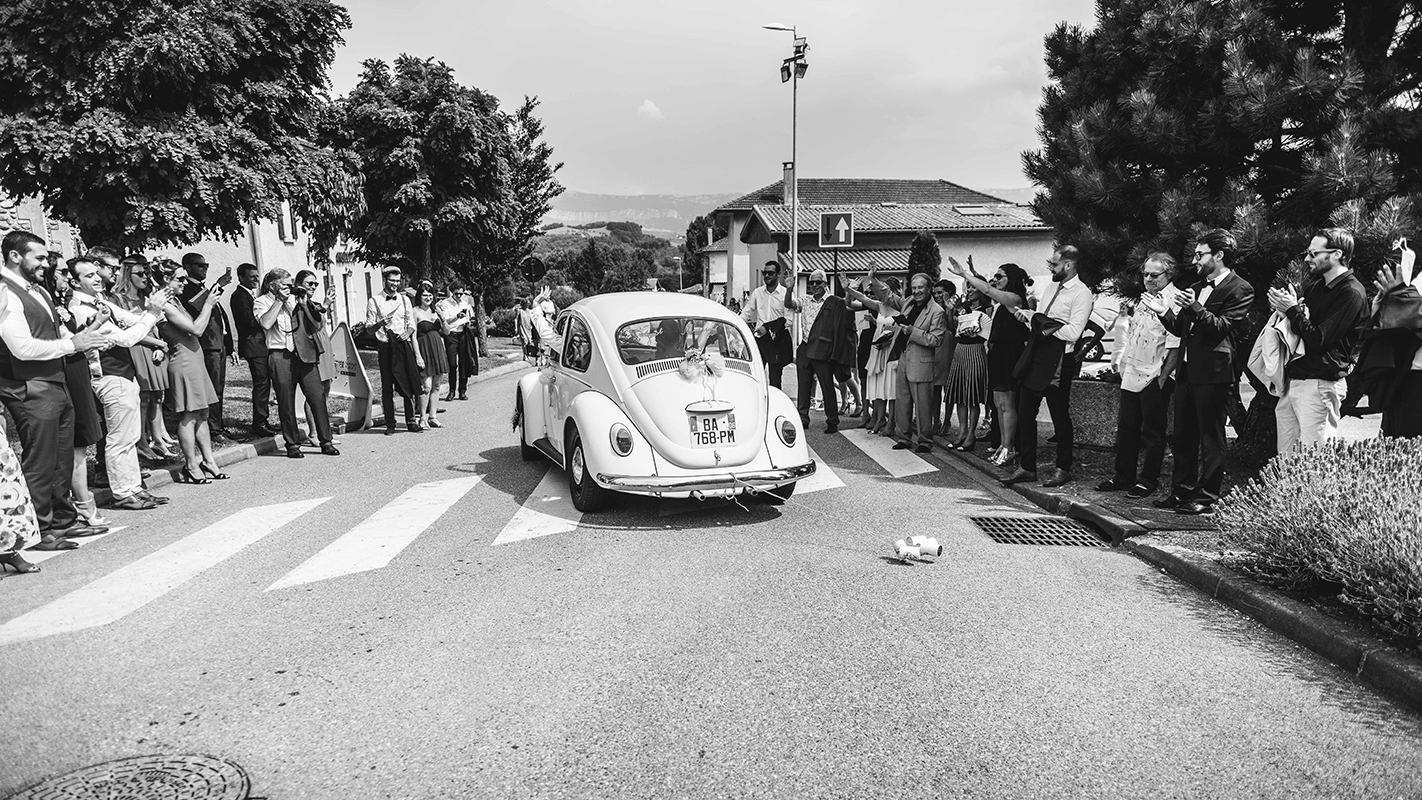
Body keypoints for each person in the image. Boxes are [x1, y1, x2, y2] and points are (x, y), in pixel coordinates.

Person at [0, 231, 112, 549]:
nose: (46, 263)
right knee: (41, 460)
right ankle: (39, 530)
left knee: (62, 457)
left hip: (55, 382)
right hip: (28, 385)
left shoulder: (38, 290)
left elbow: (60, 334)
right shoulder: (5, 291)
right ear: (14, 256)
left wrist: (88, 333)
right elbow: (21, 347)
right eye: (39, 257)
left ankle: (63, 521)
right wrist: (72, 343)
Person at [1157, 229, 1255, 515]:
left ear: (1219, 255)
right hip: (1188, 370)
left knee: (1211, 437)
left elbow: (1221, 328)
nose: (1194, 260)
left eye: (1200, 254)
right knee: (1183, 434)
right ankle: (1182, 490)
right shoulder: (1197, 286)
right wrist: (1164, 312)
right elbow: (1183, 330)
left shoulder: (1240, 288)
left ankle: (1208, 496)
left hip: (1215, 373)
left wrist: (1195, 306)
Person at [69, 253, 171, 511]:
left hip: (124, 373)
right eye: (89, 275)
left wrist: (151, 314)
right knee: (119, 438)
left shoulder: (100, 301)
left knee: (131, 435)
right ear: (75, 282)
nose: (97, 278)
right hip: (108, 375)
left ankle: (134, 487)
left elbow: (134, 322)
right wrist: (152, 314)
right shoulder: (81, 308)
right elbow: (126, 338)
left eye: (96, 273)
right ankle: (122, 492)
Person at [1267, 227, 1369, 454]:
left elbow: (1319, 339)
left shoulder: (1351, 292)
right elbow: (1302, 330)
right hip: (1294, 381)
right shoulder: (1315, 288)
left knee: (1315, 462)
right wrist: (1287, 312)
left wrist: (1293, 311)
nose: (1307, 258)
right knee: (1287, 459)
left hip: (1321, 383)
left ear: (1337, 254)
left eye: (1314, 253)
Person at [1006, 245, 1095, 487]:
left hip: (1059, 362)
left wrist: (1041, 322)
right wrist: (1028, 317)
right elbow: (1040, 321)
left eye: (1055, 265)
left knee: (1059, 416)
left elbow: (1074, 332)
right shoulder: (1051, 287)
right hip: (1037, 355)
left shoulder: (1082, 294)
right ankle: (1027, 466)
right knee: (1025, 412)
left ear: (1068, 265)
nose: (1051, 268)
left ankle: (1063, 468)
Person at [1096, 253, 1180, 498]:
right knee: (1126, 428)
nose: (1149, 279)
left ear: (1169, 274)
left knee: (1152, 432)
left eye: (1155, 275)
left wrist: (1163, 378)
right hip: (1132, 373)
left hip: (1155, 375)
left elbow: (1175, 345)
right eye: (1145, 274)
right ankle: (1123, 476)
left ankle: (1148, 479)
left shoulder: (1174, 301)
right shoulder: (1143, 300)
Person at [947, 258, 1031, 467]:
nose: (996, 279)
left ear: (1011, 279)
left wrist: (966, 274)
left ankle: (1009, 447)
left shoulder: (1015, 298)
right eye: (995, 276)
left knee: (1007, 404)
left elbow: (987, 289)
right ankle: (1003, 446)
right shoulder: (1002, 305)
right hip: (998, 354)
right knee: (998, 404)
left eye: (1000, 276)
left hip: (1011, 354)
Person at [155, 260, 227, 483]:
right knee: (189, 414)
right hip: (183, 361)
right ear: (166, 280)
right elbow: (196, 329)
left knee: (203, 413)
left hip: (195, 358)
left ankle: (209, 460)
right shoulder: (164, 304)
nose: (185, 283)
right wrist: (208, 306)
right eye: (180, 279)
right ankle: (191, 464)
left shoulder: (175, 300)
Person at [255, 269, 339, 458]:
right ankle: (292, 444)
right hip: (280, 355)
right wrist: (279, 301)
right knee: (286, 401)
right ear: (273, 285)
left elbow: (315, 324)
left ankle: (326, 441)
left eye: (290, 284)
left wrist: (305, 304)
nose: (289, 288)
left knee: (317, 397)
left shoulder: (296, 299)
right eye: (285, 284)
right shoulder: (261, 302)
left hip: (304, 354)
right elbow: (266, 324)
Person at [875, 272, 947, 453]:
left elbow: (936, 340)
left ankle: (925, 440)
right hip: (904, 357)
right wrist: (874, 279)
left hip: (922, 362)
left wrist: (912, 332)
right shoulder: (908, 302)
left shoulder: (937, 311)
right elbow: (889, 297)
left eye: (920, 288)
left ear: (929, 288)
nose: (916, 291)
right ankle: (904, 437)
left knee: (923, 404)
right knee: (903, 401)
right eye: (914, 288)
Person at [115, 255, 176, 461]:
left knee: (157, 397)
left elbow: (155, 324)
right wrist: (158, 344)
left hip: (155, 348)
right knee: (143, 399)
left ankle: (157, 437)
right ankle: (141, 441)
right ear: (127, 275)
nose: (145, 277)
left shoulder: (146, 298)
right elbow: (130, 329)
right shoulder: (120, 300)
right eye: (140, 273)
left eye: (147, 273)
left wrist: (160, 346)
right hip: (138, 348)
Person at [178, 253, 235, 440]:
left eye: (206, 265)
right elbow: (197, 307)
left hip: (218, 343)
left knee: (219, 387)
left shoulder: (203, 288)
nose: (205, 268)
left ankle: (219, 425)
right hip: (207, 344)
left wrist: (230, 347)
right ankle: (214, 428)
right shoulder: (186, 288)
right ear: (187, 267)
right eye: (200, 265)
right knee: (211, 388)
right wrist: (217, 286)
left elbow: (220, 317)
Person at [793, 269, 856, 434]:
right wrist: (788, 289)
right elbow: (789, 305)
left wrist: (847, 289)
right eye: (811, 282)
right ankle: (803, 418)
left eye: (817, 282)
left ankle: (832, 420)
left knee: (826, 385)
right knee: (804, 386)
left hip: (823, 350)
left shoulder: (833, 301)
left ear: (825, 283)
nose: (814, 285)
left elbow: (847, 306)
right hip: (805, 346)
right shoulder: (806, 301)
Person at [366, 266, 421, 435]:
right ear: (385, 280)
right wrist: (380, 323)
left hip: (402, 345)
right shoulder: (374, 301)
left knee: (407, 382)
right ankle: (390, 423)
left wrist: (408, 333)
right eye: (392, 280)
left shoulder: (405, 300)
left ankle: (411, 420)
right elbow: (368, 328)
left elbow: (411, 323)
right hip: (386, 346)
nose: (395, 284)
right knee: (387, 386)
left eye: (398, 281)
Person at [292, 270, 339, 447]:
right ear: (298, 284)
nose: (313, 287)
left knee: (325, 388)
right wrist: (325, 304)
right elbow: (314, 323)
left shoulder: (313, 303)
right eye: (309, 283)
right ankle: (313, 433)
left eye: (315, 284)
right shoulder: (299, 304)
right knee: (315, 392)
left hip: (324, 346)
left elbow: (320, 321)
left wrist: (325, 303)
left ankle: (322, 429)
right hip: (312, 348)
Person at [230, 262, 277, 437]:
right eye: (252, 277)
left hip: (260, 344)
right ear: (241, 278)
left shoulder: (251, 295)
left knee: (265, 384)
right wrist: (265, 318)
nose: (256, 279)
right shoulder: (239, 296)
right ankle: (259, 422)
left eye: (257, 276)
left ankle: (264, 420)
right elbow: (248, 322)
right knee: (261, 384)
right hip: (253, 345)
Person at [945, 287, 990, 451]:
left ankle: (971, 434)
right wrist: (951, 311)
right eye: (968, 287)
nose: (970, 290)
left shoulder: (988, 309)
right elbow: (952, 328)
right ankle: (962, 432)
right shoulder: (962, 307)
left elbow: (988, 333)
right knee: (959, 394)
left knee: (971, 395)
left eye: (973, 287)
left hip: (976, 349)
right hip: (960, 349)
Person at [741, 261, 798, 388]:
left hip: (776, 340)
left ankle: (774, 405)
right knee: (756, 375)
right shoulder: (757, 293)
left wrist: (768, 328)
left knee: (775, 379)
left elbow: (788, 320)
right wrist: (735, 326)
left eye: (770, 273)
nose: (766, 275)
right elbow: (746, 313)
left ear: (778, 274)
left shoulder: (785, 294)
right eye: (764, 273)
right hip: (759, 340)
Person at [414, 282, 450, 428]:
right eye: (425, 295)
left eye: (430, 295)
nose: (428, 297)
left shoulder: (436, 311)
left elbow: (447, 332)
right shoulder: (415, 311)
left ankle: (432, 416)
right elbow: (413, 336)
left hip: (437, 348)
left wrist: (443, 318)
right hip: (423, 349)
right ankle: (422, 417)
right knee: (426, 385)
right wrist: (417, 355)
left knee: (436, 384)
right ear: (419, 296)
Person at [929, 280, 959, 437]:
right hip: (935, 348)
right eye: (935, 293)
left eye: (941, 292)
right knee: (934, 388)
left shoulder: (956, 307)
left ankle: (947, 421)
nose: (937, 295)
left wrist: (949, 310)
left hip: (949, 348)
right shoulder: (931, 307)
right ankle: (936, 421)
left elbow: (952, 328)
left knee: (949, 388)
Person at [437, 285, 477, 400]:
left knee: (464, 363)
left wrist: (470, 321)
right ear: (451, 292)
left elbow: (470, 317)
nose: (459, 296)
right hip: (451, 334)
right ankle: (451, 391)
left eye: (461, 294)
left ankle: (462, 391)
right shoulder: (445, 303)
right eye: (456, 294)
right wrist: (457, 317)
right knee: (452, 364)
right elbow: (445, 321)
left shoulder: (465, 304)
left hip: (463, 333)